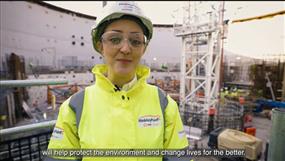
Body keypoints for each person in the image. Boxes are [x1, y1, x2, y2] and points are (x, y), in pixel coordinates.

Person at [44, 2, 189, 161]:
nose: (126, 49)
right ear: (100, 45)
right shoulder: (75, 107)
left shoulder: (164, 104)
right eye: (115, 39)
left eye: (135, 41)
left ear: (143, 48)